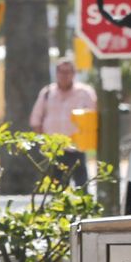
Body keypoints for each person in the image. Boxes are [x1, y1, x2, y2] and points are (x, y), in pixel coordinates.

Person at [30, 57, 98, 187]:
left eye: (68, 72)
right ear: (56, 73)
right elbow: (36, 119)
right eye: (61, 72)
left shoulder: (85, 93)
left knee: (81, 184)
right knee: (57, 185)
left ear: (73, 73)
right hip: (55, 148)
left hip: (77, 147)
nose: (64, 75)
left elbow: (93, 117)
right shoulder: (47, 93)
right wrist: (43, 142)